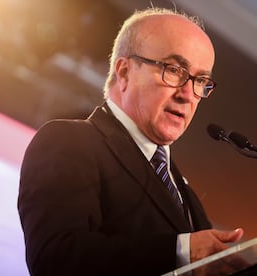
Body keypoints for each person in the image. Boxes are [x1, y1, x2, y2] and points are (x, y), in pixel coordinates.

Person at [18, 7, 244, 276]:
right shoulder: (69, 141)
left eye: (201, 80)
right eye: (174, 70)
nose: (188, 94)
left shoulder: (181, 188)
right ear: (124, 72)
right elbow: (56, 260)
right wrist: (181, 250)